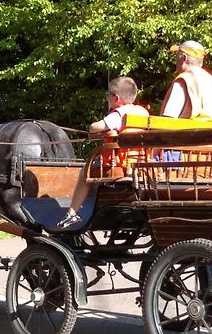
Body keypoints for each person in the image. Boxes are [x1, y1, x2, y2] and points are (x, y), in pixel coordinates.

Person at [57, 76, 149, 229]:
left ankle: (72, 212)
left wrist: (97, 128)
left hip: (119, 163)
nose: (107, 99)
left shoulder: (119, 114)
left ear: (117, 98)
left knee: (84, 172)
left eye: (108, 96)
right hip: (139, 162)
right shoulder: (143, 112)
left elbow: (94, 128)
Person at [160, 40, 212, 120]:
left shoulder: (184, 79)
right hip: (210, 131)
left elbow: (168, 118)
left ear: (184, 58)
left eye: (177, 56)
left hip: (185, 131)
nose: (175, 61)